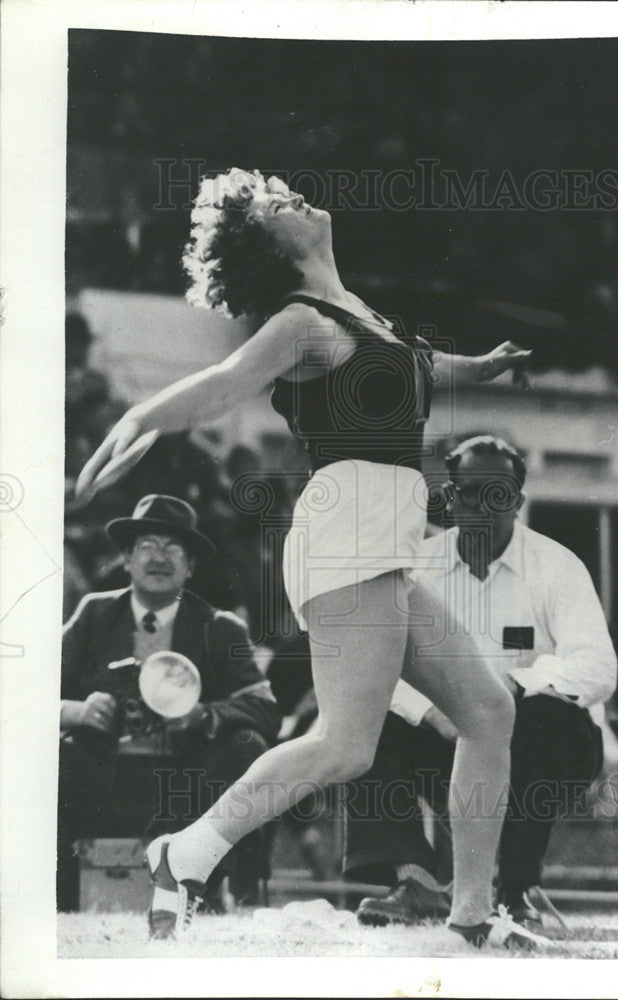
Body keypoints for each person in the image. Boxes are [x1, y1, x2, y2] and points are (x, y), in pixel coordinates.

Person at [76, 168, 532, 946]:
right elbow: (225, 382)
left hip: (379, 540)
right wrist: (141, 415)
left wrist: (477, 368)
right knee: (347, 746)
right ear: (271, 245)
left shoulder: (365, 318)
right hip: (345, 530)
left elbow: (420, 367)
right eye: (274, 205)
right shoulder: (302, 319)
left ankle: (472, 919)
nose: (294, 198)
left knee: (489, 711)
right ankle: (183, 854)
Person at [346, 435, 617, 927]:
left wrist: (511, 690)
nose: (481, 506)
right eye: (468, 491)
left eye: (498, 494)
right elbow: (377, 663)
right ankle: (417, 883)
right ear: (449, 496)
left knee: (550, 716)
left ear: (518, 500)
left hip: (531, 743)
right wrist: (433, 711)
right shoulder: (416, 566)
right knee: (362, 718)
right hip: (440, 738)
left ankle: (515, 889)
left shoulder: (557, 565)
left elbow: (598, 667)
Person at [58, 494, 281, 911]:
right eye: (146, 546)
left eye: (172, 548)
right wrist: (79, 711)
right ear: (126, 558)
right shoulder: (94, 615)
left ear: (191, 565)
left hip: (187, 792)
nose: (158, 558)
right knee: (53, 755)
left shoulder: (220, 627)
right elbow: (22, 692)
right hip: (107, 783)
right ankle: (57, 901)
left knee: (249, 747)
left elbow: (265, 709)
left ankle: (227, 893)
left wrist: (203, 716)